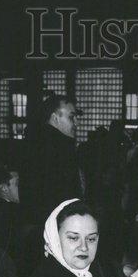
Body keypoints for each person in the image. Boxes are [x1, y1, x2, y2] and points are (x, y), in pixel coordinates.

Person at [22, 95, 83, 230]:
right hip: (57, 223)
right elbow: (64, 192)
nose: (76, 123)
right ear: (55, 117)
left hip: (41, 222)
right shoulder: (58, 149)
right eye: (71, 117)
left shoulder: (37, 143)